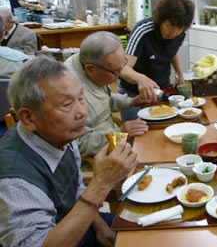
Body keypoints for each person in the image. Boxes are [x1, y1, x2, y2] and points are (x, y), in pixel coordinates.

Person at [0, 56, 139, 246]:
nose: (82, 112)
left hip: (82, 223)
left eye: (81, 98)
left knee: (149, 228)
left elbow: (77, 191)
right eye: (67, 105)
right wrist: (101, 184)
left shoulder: (60, 133)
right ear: (28, 117)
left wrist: (100, 227)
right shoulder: (13, 177)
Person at [65, 31, 149, 157]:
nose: (118, 76)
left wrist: (131, 101)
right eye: (115, 71)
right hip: (99, 156)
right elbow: (79, 143)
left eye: (121, 67)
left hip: (113, 139)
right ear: (90, 68)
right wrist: (119, 133)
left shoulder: (93, 64)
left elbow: (105, 100)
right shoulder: (70, 91)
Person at [118, 0, 195, 121]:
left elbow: (172, 51)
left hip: (160, 89)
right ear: (161, 19)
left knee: (160, 129)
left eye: (179, 29)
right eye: (170, 27)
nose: (174, 33)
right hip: (132, 92)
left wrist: (180, 75)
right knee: (134, 135)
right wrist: (141, 79)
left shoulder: (179, 33)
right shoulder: (143, 30)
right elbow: (122, 68)